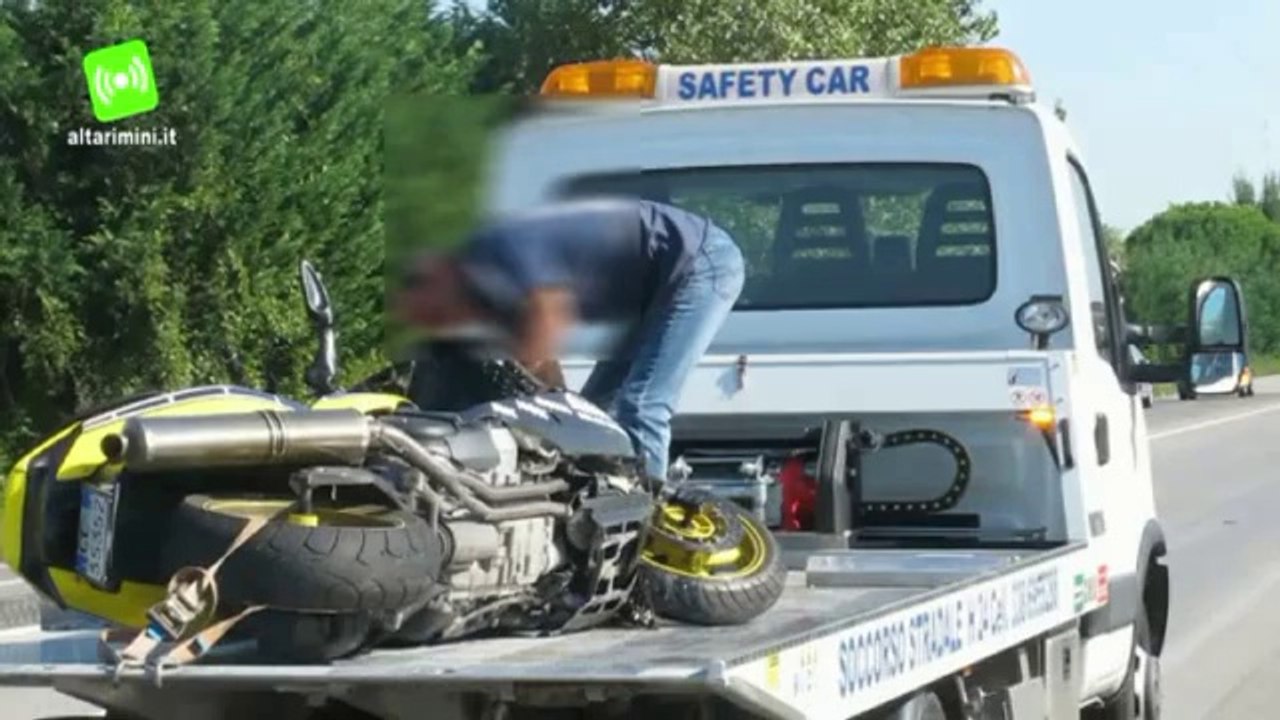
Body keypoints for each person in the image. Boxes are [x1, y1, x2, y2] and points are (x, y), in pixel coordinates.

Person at [395, 198, 745, 487]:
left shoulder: (497, 248)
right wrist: (560, 404)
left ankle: (646, 526)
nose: (446, 323)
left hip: (697, 264)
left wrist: (548, 398)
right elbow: (542, 360)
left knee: (641, 404)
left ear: (437, 273)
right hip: (651, 291)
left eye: (437, 315)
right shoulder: (483, 285)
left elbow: (548, 320)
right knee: (593, 414)